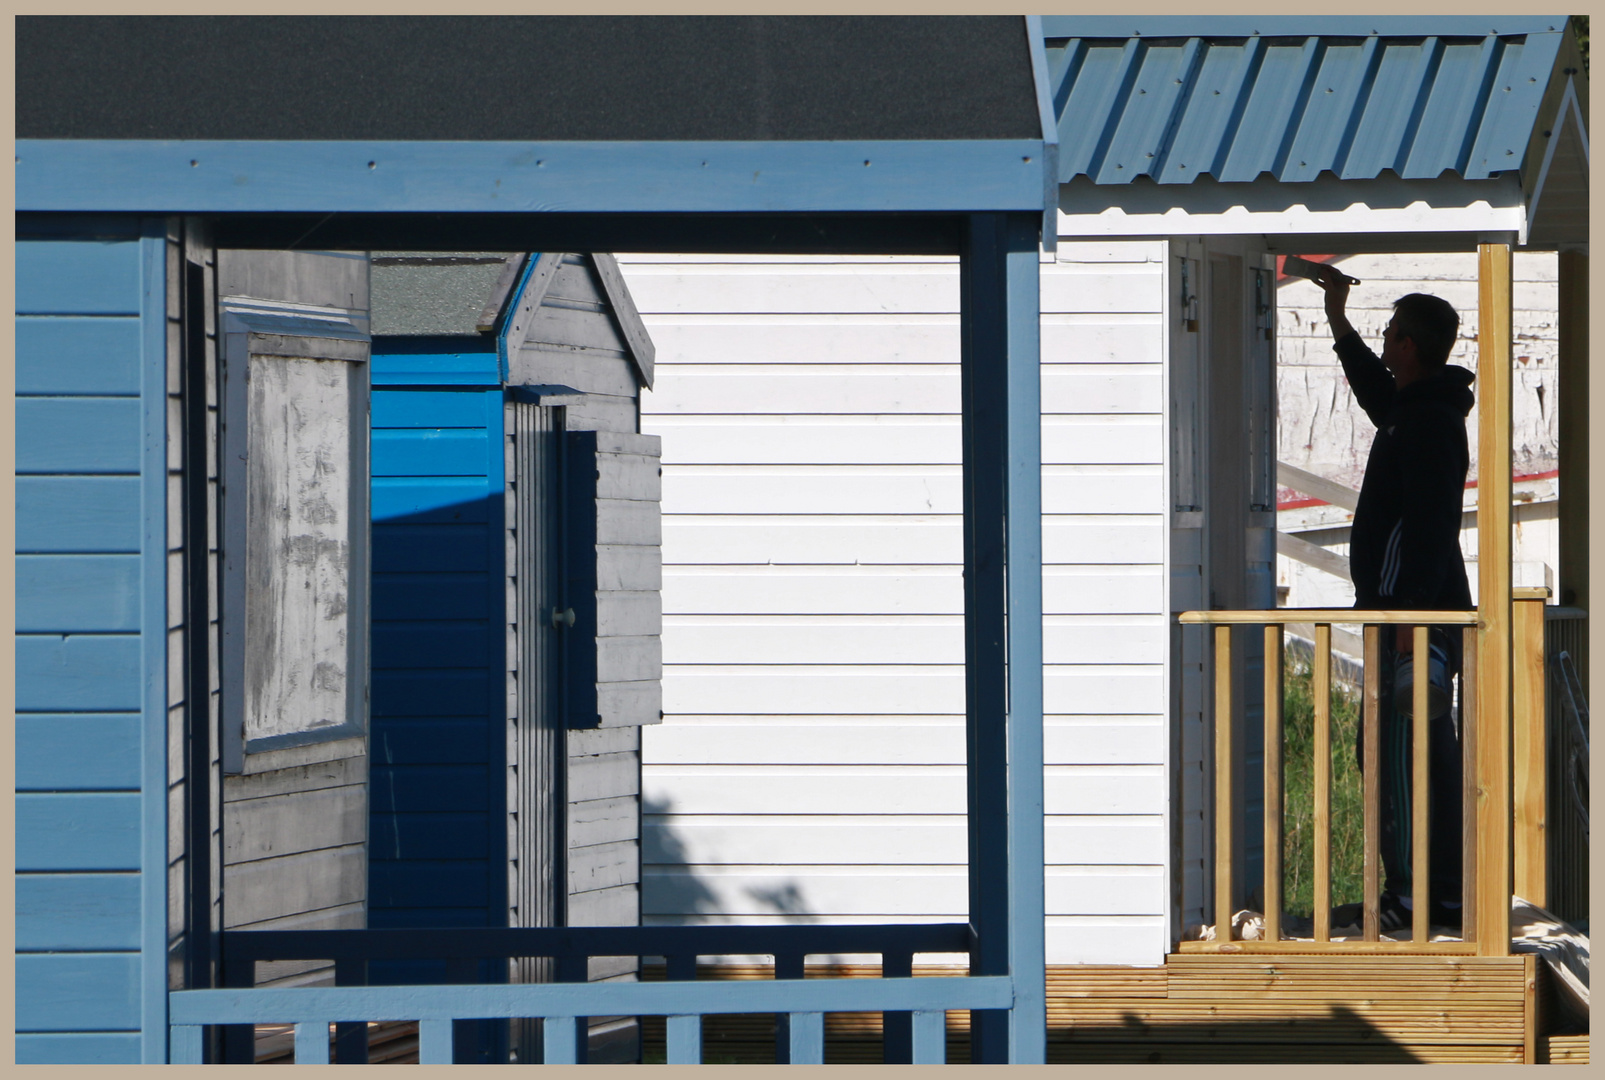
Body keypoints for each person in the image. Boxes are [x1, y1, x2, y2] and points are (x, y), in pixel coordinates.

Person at [1310, 264, 1475, 934]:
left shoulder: (1431, 424)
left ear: (1408, 344)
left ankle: (1416, 901)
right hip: (1404, 614)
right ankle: (1432, 896)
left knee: (1396, 759)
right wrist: (1338, 321)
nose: (1383, 343)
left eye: (1388, 334)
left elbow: (1432, 526)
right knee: (1405, 757)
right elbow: (1378, 396)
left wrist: (1408, 618)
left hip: (1411, 620)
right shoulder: (1417, 411)